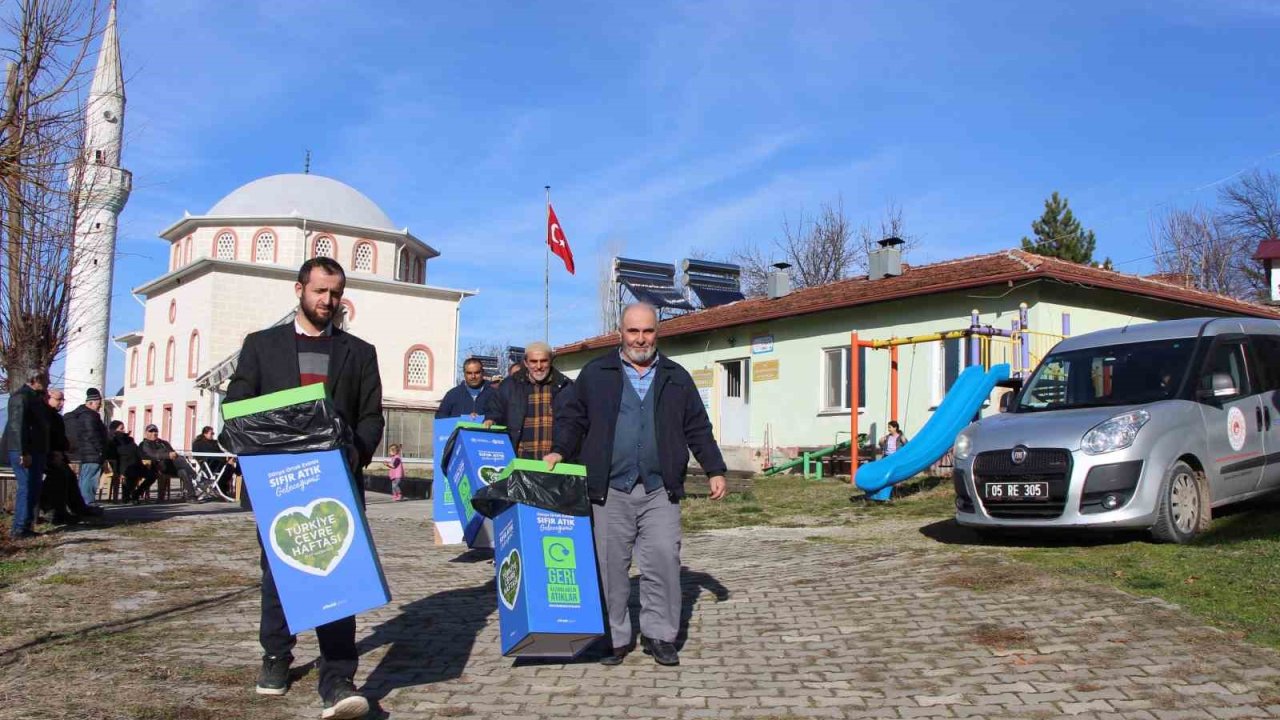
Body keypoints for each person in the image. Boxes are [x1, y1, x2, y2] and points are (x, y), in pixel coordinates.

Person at [225, 257, 383, 719]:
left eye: (335, 294)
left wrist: (355, 450)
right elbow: (238, 403)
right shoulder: (261, 346)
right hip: (280, 483)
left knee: (339, 576)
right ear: (300, 290)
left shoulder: (359, 352)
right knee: (278, 572)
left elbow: (371, 415)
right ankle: (276, 655)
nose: (327, 301)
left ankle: (338, 677)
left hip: (336, 481)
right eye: (319, 292)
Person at [544, 303, 728, 667]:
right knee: (610, 567)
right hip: (609, 489)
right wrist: (559, 451)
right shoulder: (597, 374)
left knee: (662, 560)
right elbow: (573, 419)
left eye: (648, 331)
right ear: (621, 333)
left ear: (656, 333)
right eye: (633, 331)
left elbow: (697, 427)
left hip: (660, 489)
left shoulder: (677, 377)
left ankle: (660, 636)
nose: (640, 339)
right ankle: (614, 638)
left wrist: (714, 469)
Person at [485, 341, 572, 459]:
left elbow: (571, 425)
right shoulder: (509, 386)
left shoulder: (566, 387)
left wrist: (561, 451)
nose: (539, 366)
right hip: (519, 461)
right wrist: (491, 420)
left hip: (555, 462)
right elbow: (495, 410)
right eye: (533, 361)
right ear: (525, 363)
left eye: (544, 361)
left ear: (551, 361)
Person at [4, 371, 50, 539]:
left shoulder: (34, 397)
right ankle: (19, 528)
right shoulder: (21, 397)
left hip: (35, 450)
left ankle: (26, 525)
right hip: (25, 451)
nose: (49, 381)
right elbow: (17, 426)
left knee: (33, 488)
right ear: (35, 379)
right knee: (26, 487)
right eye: (45, 378)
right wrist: (23, 452)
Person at [65, 387, 109, 505]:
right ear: (90, 402)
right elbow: (93, 434)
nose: (99, 408)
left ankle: (82, 503)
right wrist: (100, 450)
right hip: (92, 453)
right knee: (90, 479)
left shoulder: (77, 415)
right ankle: (87, 503)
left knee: (85, 478)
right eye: (98, 404)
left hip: (83, 452)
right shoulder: (89, 416)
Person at [140, 425, 189, 501]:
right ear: (146, 433)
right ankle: (195, 476)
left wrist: (172, 455)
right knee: (159, 473)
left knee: (183, 471)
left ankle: (192, 496)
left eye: (155, 431)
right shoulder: (144, 444)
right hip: (151, 468)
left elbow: (173, 453)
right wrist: (167, 455)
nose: (154, 433)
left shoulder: (163, 443)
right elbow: (152, 455)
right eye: (151, 431)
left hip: (168, 466)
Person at [106, 421, 146, 503]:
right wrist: (116, 470)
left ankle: (136, 493)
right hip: (121, 465)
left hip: (136, 463)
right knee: (130, 472)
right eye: (121, 428)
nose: (123, 430)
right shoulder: (112, 441)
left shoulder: (129, 439)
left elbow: (137, 450)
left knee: (152, 474)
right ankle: (127, 496)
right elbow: (112, 455)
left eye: (123, 428)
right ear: (114, 430)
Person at [192, 425, 231, 494]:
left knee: (230, 468)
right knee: (229, 468)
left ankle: (221, 488)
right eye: (211, 433)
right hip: (208, 465)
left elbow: (220, 452)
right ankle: (221, 489)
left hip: (216, 463)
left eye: (213, 433)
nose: (212, 435)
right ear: (205, 433)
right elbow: (196, 455)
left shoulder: (214, 442)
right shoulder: (198, 443)